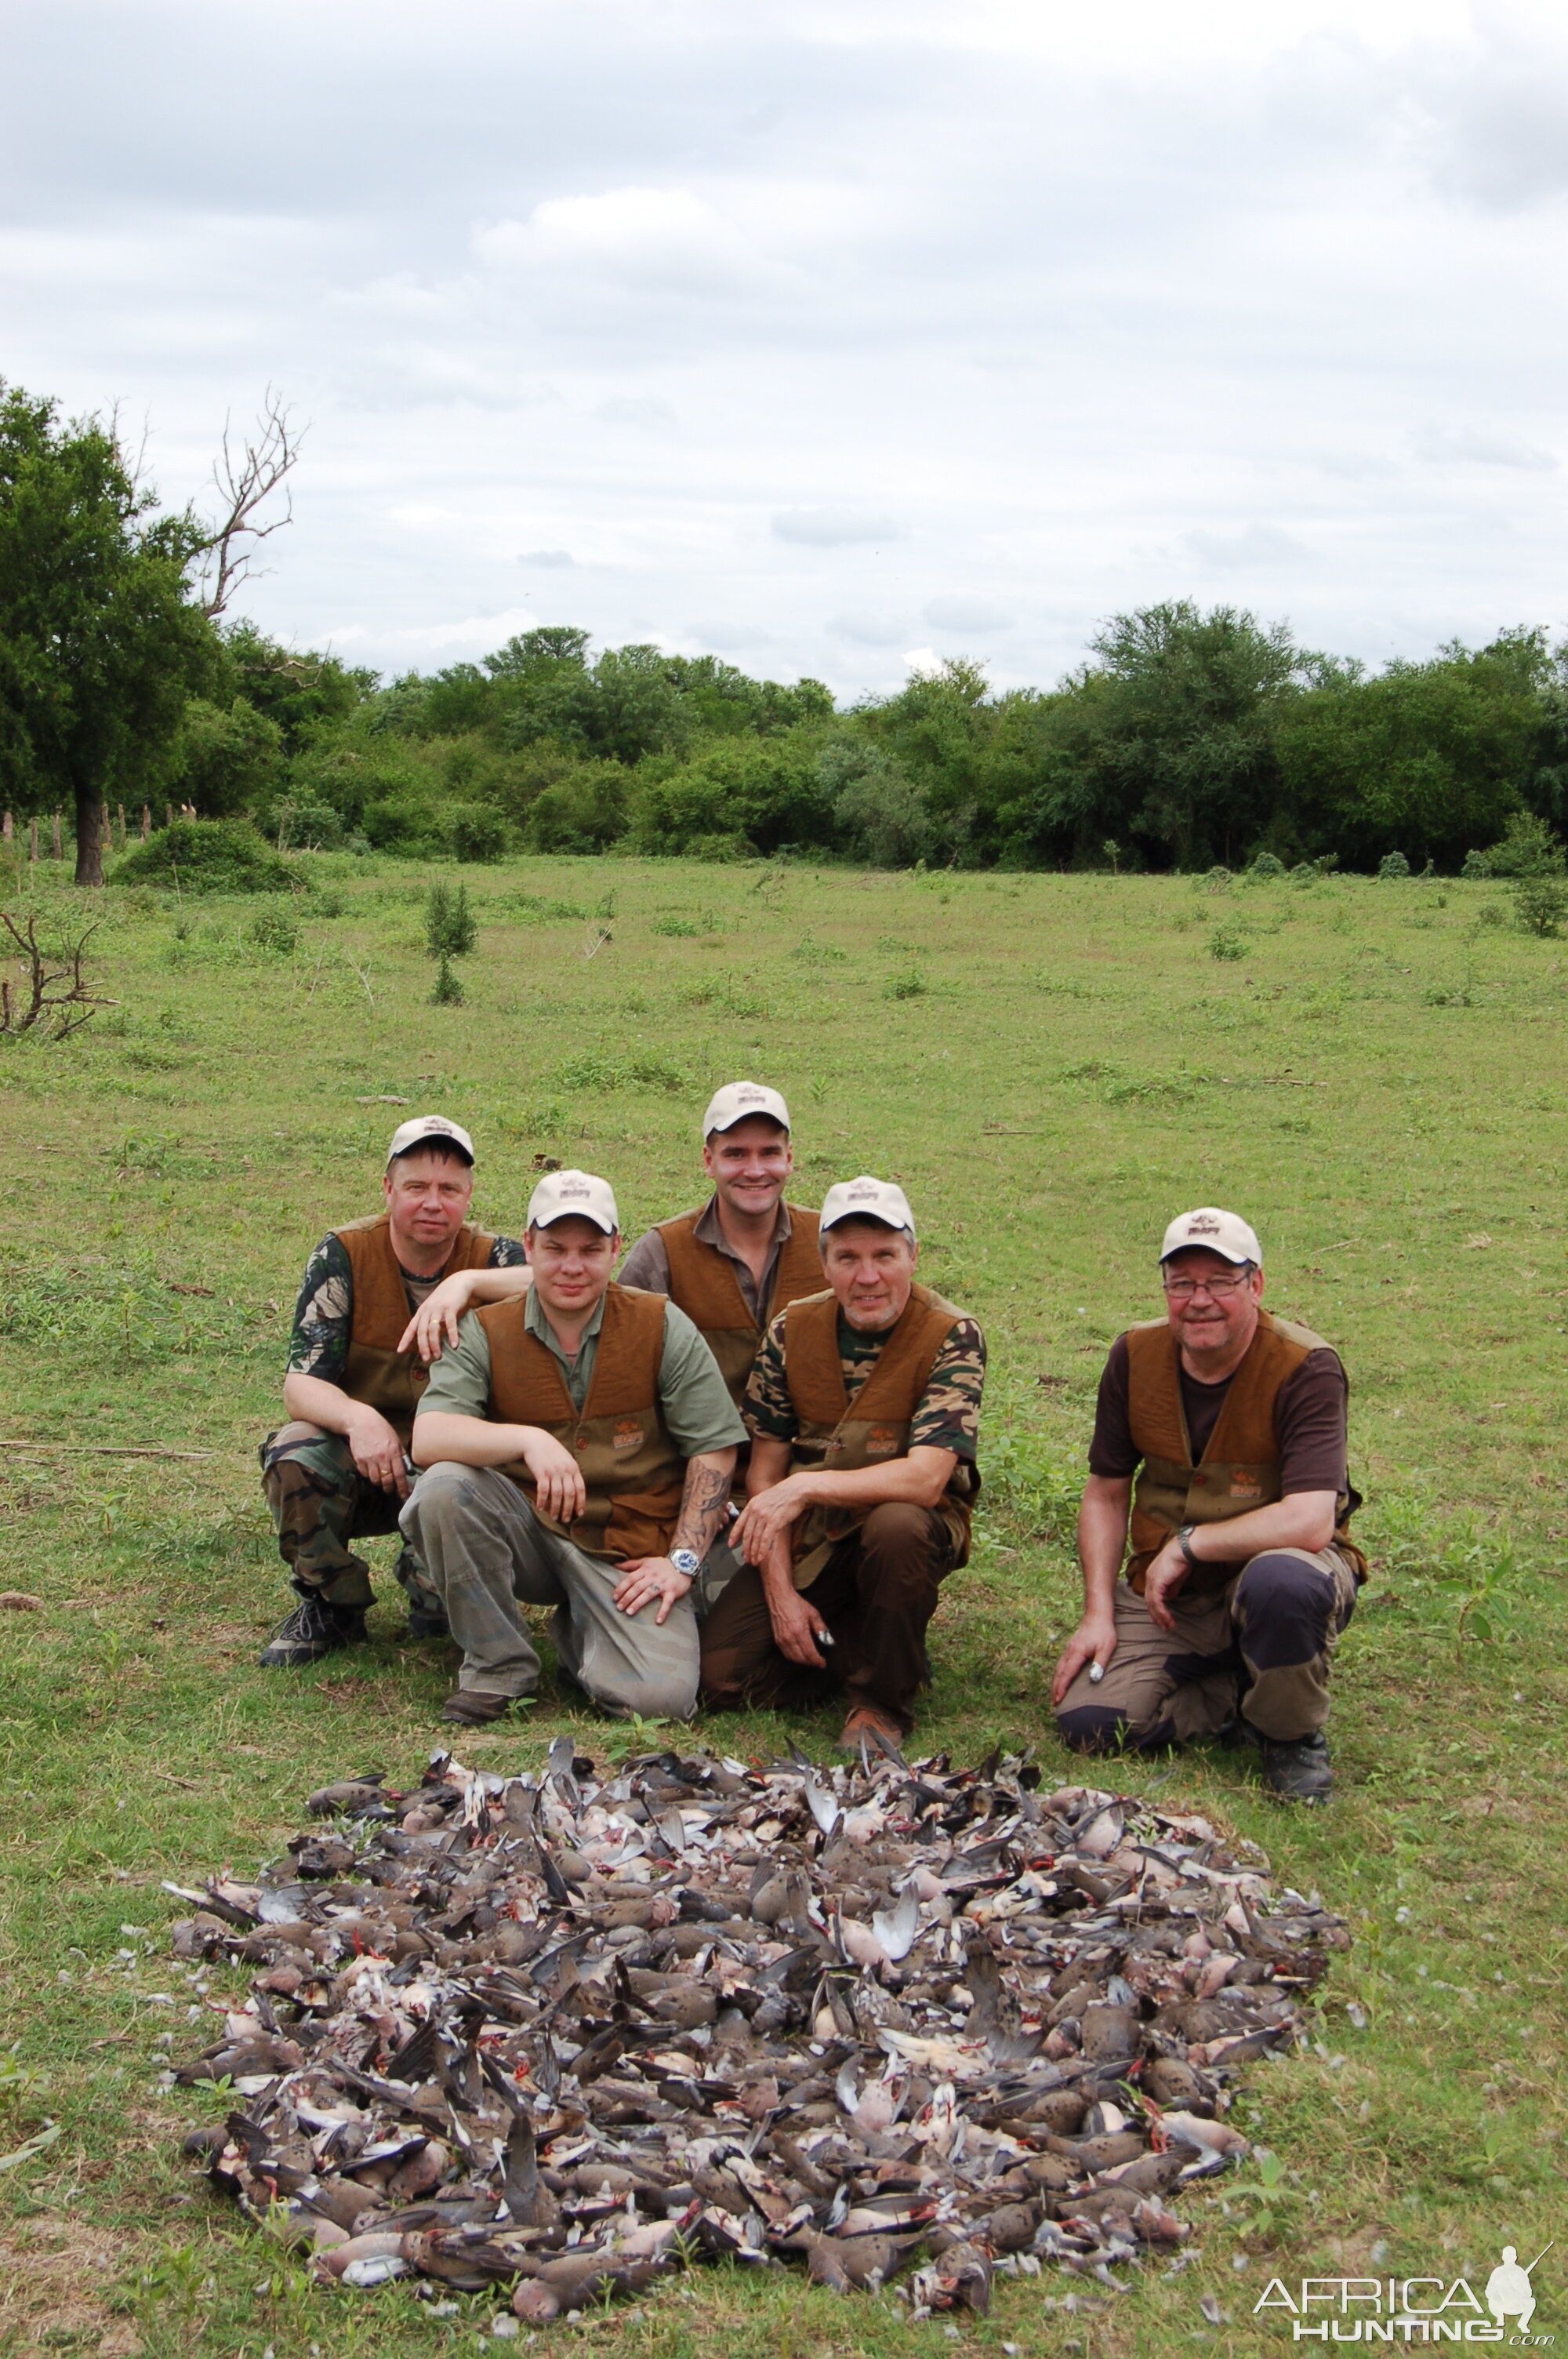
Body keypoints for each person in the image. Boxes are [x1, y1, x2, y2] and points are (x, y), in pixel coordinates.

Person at [403, 1169, 746, 1727]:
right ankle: (498, 1666)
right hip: (529, 1530)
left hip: (628, 1546)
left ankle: (582, 1629)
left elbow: (714, 1450)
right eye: (556, 1248)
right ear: (530, 1246)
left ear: (615, 1250)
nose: (571, 1266)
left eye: (590, 1250)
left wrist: (682, 1561)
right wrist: (527, 1440)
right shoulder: (487, 1329)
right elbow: (430, 1435)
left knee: (660, 1703)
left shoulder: (661, 1325)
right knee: (444, 1490)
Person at [1051, 1207, 1365, 1805]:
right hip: (1175, 1599)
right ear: (1165, 1289)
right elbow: (1106, 1491)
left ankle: (1291, 1734)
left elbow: (1310, 1520)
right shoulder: (1133, 1356)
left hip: (1283, 1569)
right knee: (1090, 1724)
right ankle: (1238, 1690)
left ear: (1257, 1285)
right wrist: (1098, 1612)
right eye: (1183, 1283)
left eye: (1221, 1282)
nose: (1201, 1300)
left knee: (1282, 1585)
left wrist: (1191, 1544)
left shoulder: (1307, 1367)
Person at [699, 1176, 985, 1753]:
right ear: (825, 1264)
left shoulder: (951, 1334)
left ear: (913, 1256)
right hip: (810, 1538)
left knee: (897, 1525)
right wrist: (781, 1595)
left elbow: (927, 1478)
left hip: (902, 1524)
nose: (869, 1276)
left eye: (886, 1256)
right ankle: (867, 1644)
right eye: (848, 1258)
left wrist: (806, 1490)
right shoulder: (790, 1330)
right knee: (724, 1680)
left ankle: (880, 1705)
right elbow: (765, 1474)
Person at [258, 1117, 528, 1669]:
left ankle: (433, 1588)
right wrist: (359, 1419)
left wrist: (465, 1284)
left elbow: (568, 1280)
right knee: (293, 1453)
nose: (433, 1203)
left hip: (452, 1464)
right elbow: (301, 1383)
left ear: (468, 1195)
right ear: (388, 1190)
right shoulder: (345, 1254)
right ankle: (332, 1602)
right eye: (416, 1188)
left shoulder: (493, 1259)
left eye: (449, 1189)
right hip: (366, 1460)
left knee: (440, 1620)